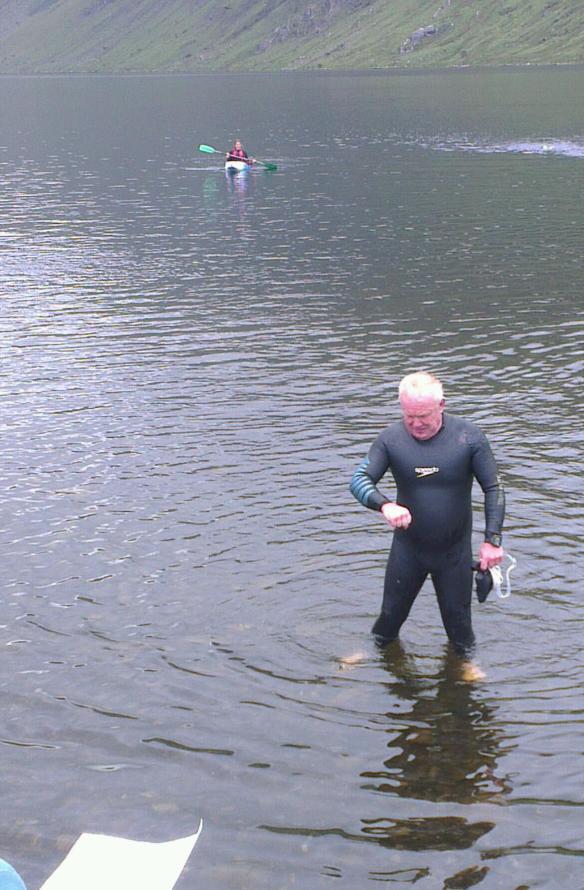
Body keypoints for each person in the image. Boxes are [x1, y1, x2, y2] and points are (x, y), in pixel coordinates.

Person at [350, 371, 504, 678]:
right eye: (409, 416)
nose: (416, 424)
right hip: (409, 549)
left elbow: (494, 489)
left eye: (423, 416)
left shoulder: (469, 437)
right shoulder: (391, 439)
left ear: (441, 405)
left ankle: (463, 665)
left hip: (453, 552)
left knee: (459, 623)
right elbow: (359, 480)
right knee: (390, 616)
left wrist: (492, 540)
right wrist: (386, 504)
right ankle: (372, 651)